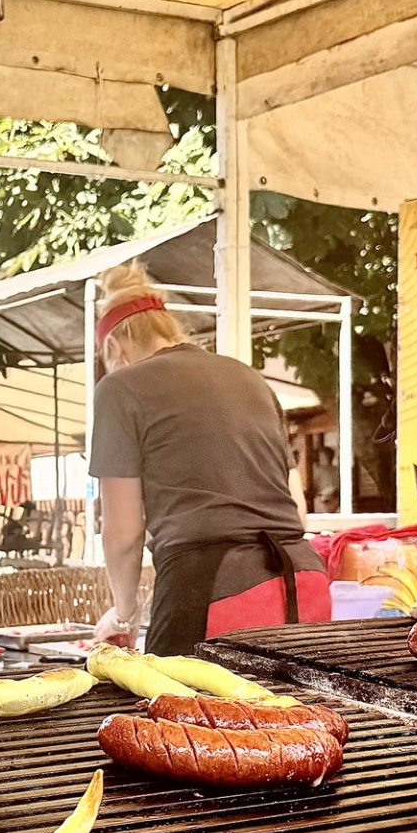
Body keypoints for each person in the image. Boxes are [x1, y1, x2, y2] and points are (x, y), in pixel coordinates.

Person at [88, 262, 330, 652]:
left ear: (115, 347)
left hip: (214, 590)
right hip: (303, 583)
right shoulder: (249, 378)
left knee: (176, 711)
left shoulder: (119, 389)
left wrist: (123, 613)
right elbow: (297, 511)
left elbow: (122, 532)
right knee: (299, 713)